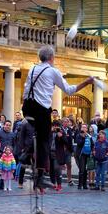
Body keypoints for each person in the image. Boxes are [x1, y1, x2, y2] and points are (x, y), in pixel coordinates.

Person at [21, 45, 93, 189]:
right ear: (51, 58)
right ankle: (40, 177)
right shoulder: (53, 71)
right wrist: (87, 82)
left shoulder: (32, 69)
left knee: (38, 134)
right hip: (40, 110)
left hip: (27, 108)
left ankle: (26, 154)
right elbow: (69, 90)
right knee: (45, 140)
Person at [49, 120, 71, 191]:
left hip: (57, 153)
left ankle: (59, 184)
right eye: (54, 126)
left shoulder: (61, 132)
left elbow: (66, 142)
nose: (55, 127)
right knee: (51, 169)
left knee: (56, 168)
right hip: (50, 153)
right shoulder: (50, 132)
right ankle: (53, 184)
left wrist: (61, 136)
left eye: (56, 126)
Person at [75, 124, 94, 190]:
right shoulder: (79, 135)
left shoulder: (89, 136)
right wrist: (83, 137)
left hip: (88, 154)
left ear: (87, 129)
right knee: (82, 170)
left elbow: (92, 144)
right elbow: (79, 143)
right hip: (81, 154)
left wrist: (92, 151)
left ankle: (84, 184)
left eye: (85, 127)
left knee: (86, 170)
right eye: (82, 127)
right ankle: (80, 185)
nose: (83, 128)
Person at [61, 117, 75, 186]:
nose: (67, 123)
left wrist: (72, 150)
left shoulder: (69, 130)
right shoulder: (60, 130)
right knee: (60, 165)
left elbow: (70, 141)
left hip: (68, 150)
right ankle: (59, 180)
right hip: (61, 151)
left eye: (67, 121)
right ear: (62, 122)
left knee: (69, 165)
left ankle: (69, 179)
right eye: (65, 121)